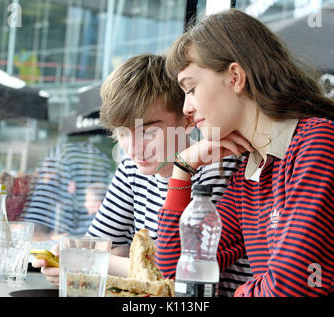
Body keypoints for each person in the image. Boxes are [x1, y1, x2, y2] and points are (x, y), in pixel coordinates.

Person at [155, 9, 334, 296]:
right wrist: (182, 168)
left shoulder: (319, 141)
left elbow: (294, 287)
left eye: (191, 89)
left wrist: (244, 290)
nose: (186, 109)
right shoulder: (251, 169)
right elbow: (177, 266)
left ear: (234, 77)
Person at [33, 53, 253, 296]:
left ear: (187, 120)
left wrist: (88, 262)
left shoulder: (220, 167)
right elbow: (97, 248)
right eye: (123, 133)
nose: (133, 148)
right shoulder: (132, 169)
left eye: (147, 131)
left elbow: (173, 273)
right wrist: (89, 259)